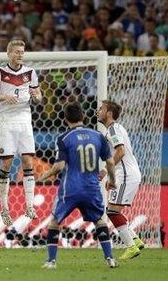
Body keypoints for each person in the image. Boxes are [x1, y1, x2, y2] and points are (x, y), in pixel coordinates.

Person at [38, 103, 117, 269]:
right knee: (100, 221)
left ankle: (51, 261)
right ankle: (110, 258)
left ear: (66, 119)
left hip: (71, 188)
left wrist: (44, 175)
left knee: (54, 222)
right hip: (91, 188)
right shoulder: (98, 136)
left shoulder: (64, 138)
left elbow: (59, 167)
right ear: (83, 117)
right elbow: (110, 162)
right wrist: (112, 180)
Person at [0, 39, 42, 225]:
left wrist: (37, 97)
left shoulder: (31, 73)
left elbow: (39, 95)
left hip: (25, 120)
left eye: (22, 51)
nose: (20, 54)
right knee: (7, 164)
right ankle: (4, 208)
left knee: (28, 161)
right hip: (6, 121)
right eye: (17, 51)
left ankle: (29, 206)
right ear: (9, 53)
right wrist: (4, 96)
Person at [97, 100, 145, 259]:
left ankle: (131, 247)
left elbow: (121, 152)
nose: (98, 111)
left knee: (111, 211)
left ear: (109, 113)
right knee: (112, 210)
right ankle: (135, 240)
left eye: (102, 108)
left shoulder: (112, 130)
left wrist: (106, 172)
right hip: (126, 173)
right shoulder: (116, 128)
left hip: (125, 174)